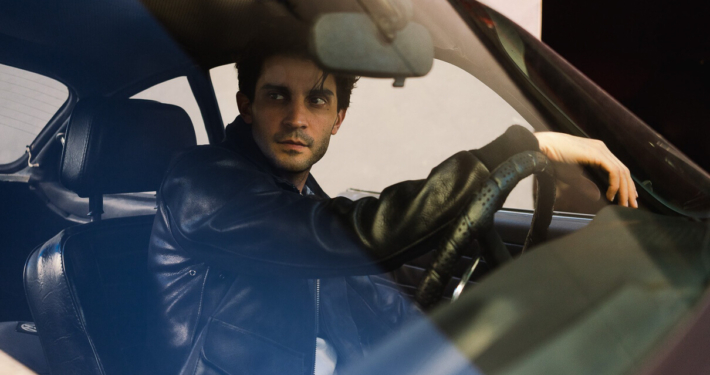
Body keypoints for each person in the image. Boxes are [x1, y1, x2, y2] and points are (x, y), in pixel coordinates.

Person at [146, 41, 637, 375]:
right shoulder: (202, 185)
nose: (296, 118)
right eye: (278, 96)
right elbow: (353, 237)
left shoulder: (299, 198)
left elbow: (380, 306)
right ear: (247, 106)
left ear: (337, 119)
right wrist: (529, 147)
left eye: (316, 101)